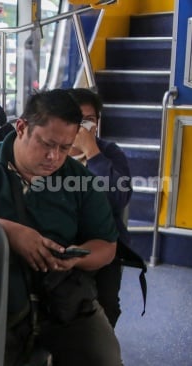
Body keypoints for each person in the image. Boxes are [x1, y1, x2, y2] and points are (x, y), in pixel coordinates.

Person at [0, 89, 122, 366]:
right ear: (21, 128)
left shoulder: (80, 180)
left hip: (62, 298)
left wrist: (76, 258)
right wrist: (6, 232)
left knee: (105, 358)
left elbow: (107, 246)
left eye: (65, 148)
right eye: (47, 144)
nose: (54, 157)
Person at [68, 87, 147, 328]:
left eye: (88, 121)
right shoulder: (52, 152)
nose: (82, 128)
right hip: (61, 236)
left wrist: (92, 152)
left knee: (107, 306)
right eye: (75, 119)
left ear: (97, 123)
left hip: (104, 242)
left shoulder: (110, 154)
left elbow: (117, 198)